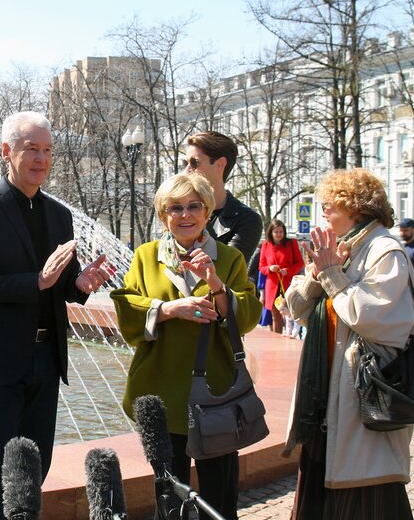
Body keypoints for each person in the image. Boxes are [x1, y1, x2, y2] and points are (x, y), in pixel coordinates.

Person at [0, 111, 113, 520]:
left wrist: (79, 285)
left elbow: (60, 284)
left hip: (46, 360)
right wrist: (36, 281)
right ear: (7, 152)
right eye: (32, 149)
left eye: (47, 151)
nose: (41, 159)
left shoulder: (58, 214)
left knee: (33, 476)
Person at [111, 173, 262, 520]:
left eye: (194, 206)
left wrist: (216, 285)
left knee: (219, 497)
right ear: (164, 215)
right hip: (160, 390)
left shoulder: (228, 258)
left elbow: (250, 315)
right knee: (169, 495)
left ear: (207, 212)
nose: (185, 215)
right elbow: (126, 309)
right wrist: (167, 309)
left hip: (217, 394)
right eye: (174, 207)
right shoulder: (146, 256)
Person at [283, 168, 414, 519]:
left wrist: (330, 274)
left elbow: (373, 319)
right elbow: (294, 309)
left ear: (354, 206)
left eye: (330, 204)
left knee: (366, 494)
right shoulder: (338, 248)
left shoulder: (384, 250)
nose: (323, 210)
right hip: (326, 400)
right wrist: (316, 275)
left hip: (364, 402)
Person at [184, 131, 263, 264]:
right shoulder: (177, 211)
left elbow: (229, 269)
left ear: (220, 164)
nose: (187, 170)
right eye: (185, 163)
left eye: (194, 163)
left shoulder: (247, 219)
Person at [258, 219, 304, 335]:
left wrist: (288, 271)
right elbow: (261, 266)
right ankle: (276, 340)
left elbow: (300, 263)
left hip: (288, 285)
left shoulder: (291, 243)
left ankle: (293, 336)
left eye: (281, 232)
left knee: (291, 316)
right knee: (276, 317)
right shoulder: (266, 245)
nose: (279, 234)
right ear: (271, 232)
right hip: (272, 286)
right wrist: (269, 269)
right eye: (276, 232)